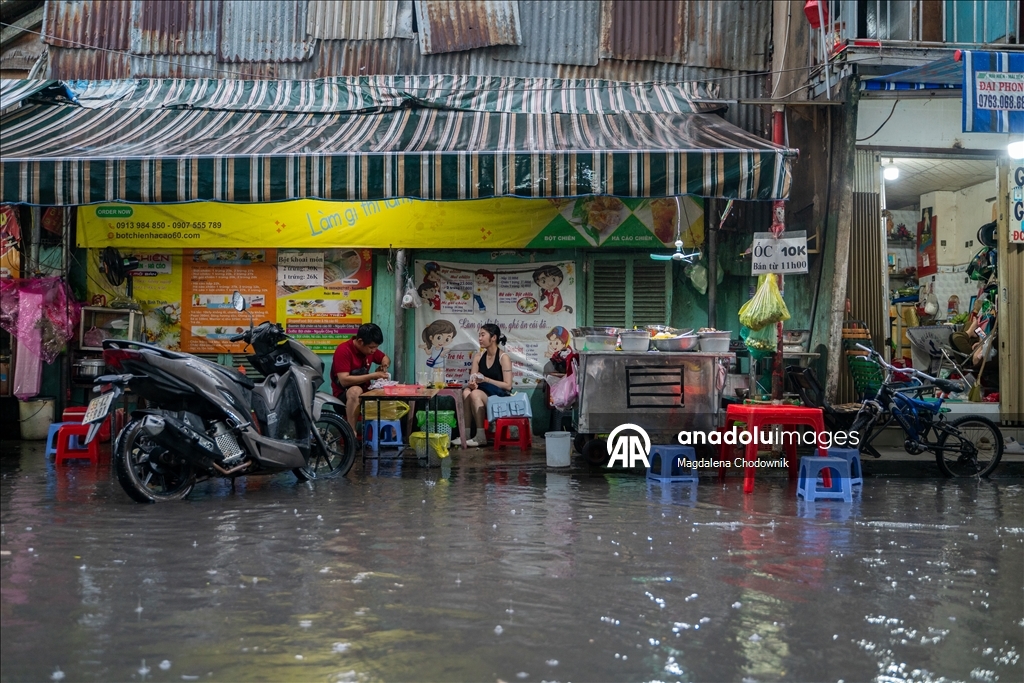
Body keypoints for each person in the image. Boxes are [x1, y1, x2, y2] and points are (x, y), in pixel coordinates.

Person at [331, 323, 390, 432]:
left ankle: (390, 436)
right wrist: (373, 375)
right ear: (360, 342)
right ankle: (351, 433)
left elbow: (385, 358)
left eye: (376, 347)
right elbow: (344, 380)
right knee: (355, 390)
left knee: (389, 393)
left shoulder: (369, 350)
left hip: (365, 394)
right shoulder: (343, 350)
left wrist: (384, 366)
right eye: (372, 347)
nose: (374, 351)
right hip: (342, 399)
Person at [462, 323, 513, 447]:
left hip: (500, 397)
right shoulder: (478, 357)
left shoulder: (503, 357)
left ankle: (480, 436)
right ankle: (466, 435)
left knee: (475, 394)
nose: (480, 338)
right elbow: (473, 378)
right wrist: (473, 383)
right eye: (479, 335)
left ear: (494, 337)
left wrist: (486, 379)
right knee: (467, 392)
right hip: (484, 393)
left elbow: (508, 386)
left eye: (483, 335)